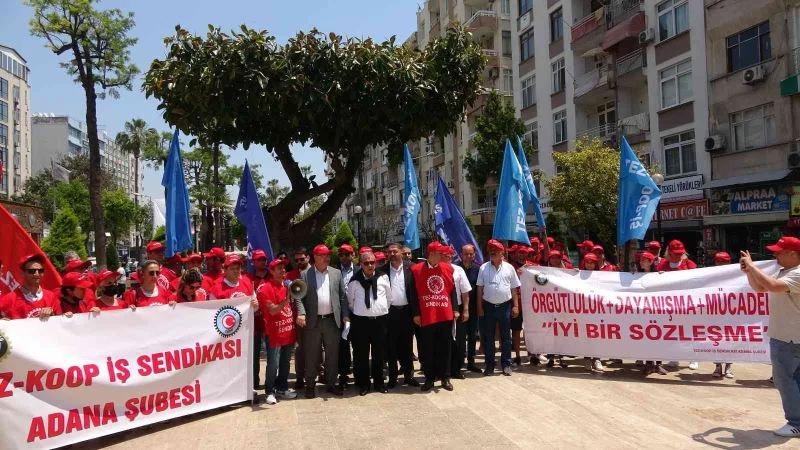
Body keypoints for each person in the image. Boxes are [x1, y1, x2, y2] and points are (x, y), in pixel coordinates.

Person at [740, 236, 800, 438]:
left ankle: (796, 423)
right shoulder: (787, 271)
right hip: (788, 336)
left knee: (785, 380)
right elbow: (761, 288)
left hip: (789, 338)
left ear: (793, 254)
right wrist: (749, 271)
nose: (775, 255)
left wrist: (751, 266)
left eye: (779, 252)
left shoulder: (798, 273)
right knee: (794, 380)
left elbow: (772, 286)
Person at [295, 244, 349, 398]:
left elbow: (342, 297)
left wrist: (345, 315)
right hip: (313, 321)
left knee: (332, 354)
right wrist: (302, 313)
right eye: (323, 255)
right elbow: (299, 296)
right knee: (311, 354)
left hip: (332, 320)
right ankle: (310, 385)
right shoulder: (305, 275)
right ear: (315, 257)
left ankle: (331, 384)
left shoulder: (336, 273)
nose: (327, 258)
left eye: (328, 255)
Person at [410, 242, 459, 391]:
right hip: (427, 315)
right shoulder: (416, 270)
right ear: (431, 254)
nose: (443, 256)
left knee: (445, 348)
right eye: (440, 253)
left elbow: (452, 291)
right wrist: (416, 313)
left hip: (444, 314)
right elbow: (413, 294)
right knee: (427, 349)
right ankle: (429, 378)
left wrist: (455, 309)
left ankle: (445, 377)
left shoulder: (447, 269)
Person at [346, 251, 390, 395]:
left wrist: (378, 310)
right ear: (361, 264)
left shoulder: (383, 277)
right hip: (361, 323)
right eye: (366, 263)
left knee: (379, 354)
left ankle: (379, 383)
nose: (370, 265)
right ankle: (364, 384)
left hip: (380, 321)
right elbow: (350, 302)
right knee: (361, 355)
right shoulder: (354, 281)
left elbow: (389, 299)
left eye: (372, 262)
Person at [256, 258, 298, 405]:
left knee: (286, 362)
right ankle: (269, 391)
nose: (282, 271)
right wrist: (286, 300)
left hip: (287, 330)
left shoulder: (287, 286)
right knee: (273, 363)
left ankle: (282, 388)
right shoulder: (265, 288)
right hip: (273, 333)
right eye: (278, 268)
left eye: (283, 268)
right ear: (271, 271)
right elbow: (272, 310)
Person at [477, 240, 520, 377]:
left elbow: (514, 288)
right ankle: (490, 365)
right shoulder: (483, 267)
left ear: (502, 253)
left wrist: (516, 306)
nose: (492, 253)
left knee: (506, 337)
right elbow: (479, 289)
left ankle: (506, 364)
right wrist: (479, 306)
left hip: (505, 307)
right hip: (489, 307)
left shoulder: (509, 268)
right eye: (491, 251)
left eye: (495, 251)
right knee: (488, 338)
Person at [381, 242, 420, 388]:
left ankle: (409, 376)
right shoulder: (382, 270)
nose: (392, 254)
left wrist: (417, 313)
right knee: (391, 346)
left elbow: (416, 292)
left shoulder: (412, 268)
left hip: (407, 312)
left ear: (401, 252)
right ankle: (392, 377)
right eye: (389, 252)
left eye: (395, 251)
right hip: (390, 313)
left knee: (407, 345)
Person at [657, 240, 699, 370]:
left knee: (689, 330)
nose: (677, 256)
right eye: (675, 254)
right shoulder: (663, 265)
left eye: (680, 253)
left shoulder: (689, 264)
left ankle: (693, 358)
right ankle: (674, 357)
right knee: (672, 330)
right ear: (669, 253)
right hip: (670, 304)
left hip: (687, 303)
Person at [441, 246, 471, 379]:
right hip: (441, 309)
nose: (448, 258)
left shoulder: (458, 270)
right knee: (443, 342)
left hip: (457, 308)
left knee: (459, 342)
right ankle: (442, 371)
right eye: (445, 255)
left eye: (450, 256)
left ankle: (456, 369)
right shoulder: (435, 270)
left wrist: (465, 310)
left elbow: (465, 292)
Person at [1, 254, 61, 320]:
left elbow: (60, 322)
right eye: (32, 271)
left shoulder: (51, 297)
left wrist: (54, 315)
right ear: (22, 273)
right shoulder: (9, 299)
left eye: (40, 271)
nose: (37, 274)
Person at [636, 252, 667, 376]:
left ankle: (658, 365)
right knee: (646, 337)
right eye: (640, 260)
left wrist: (663, 277)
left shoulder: (658, 275)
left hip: (656, 311)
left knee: (657, 337)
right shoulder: (635, 277)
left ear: (651, 262)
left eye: (643, 260)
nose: (641, 262)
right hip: (642, 312)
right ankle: (648, 364)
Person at [287, 247, 313, 391]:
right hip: (298, 318)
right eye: (296, 260)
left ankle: (319, 371)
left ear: (308, 258)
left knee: (317, 347)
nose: (299, 262)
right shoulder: (290, 275)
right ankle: (299, 377)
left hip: (315, 315)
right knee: (300, 348)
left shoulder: (315, 272)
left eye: (301, 259)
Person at [245, 249, 270, 390]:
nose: (262, 262)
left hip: (269, 322)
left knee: (272, 355)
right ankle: (254, 382)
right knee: (254, 354)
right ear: (253, 262)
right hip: (253, 323)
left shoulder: (271, 276)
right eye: (259, 259)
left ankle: (270, 381)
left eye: (264, 259)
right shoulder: (247, 278)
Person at [458, 244, 482, 373]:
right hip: (459, 307)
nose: (468, 256)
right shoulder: (456, 268)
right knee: (460, 336)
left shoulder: (478, 269)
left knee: (472, 335)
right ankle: (459, 361)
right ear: (461, 255)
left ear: (474, 255)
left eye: (471, 254)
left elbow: (480, 289)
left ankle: (471, 361)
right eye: (466, 254)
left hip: (473, 307)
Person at [712, 251, 735, 379]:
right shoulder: (709, 275)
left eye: (724, 261)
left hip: (731, 313)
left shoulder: (735, 275)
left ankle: (728, 366)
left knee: (729, 340)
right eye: (719, 261)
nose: (721, 264)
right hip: (715, 313)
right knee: (715, 340)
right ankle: (717, 366)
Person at [337, 243, 356, 388]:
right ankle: (343, 374)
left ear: (353, 255)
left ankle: (358, 371)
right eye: (341, 254)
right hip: (339, 314)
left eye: (347, 254)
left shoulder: (359, 270)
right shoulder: (334, 272)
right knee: (342, 345)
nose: (344, 257)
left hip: (357, 313)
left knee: (358, 344)